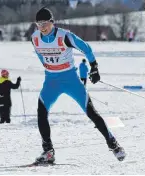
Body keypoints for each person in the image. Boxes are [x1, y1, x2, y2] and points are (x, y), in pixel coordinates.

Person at [31, 7, 126, 164]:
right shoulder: (35, 38)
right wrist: (49, 67)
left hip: (70, 80)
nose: (42, 27)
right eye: (39, 24)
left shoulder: (64, 36)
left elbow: (86, 48)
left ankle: (113, 144)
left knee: (91, 112)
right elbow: (41, 56)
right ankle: (48, 151)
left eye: (45, 23)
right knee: (41, 111)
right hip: (51, 81)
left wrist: (94, 67)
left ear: (52, 22)